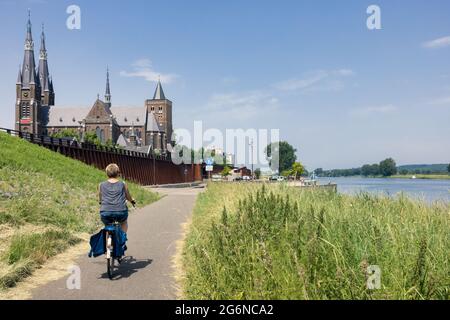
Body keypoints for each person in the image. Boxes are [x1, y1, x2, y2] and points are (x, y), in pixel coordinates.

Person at [98, 163, 136, 233]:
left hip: (105, 212)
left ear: (107, 173)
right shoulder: (123, 184)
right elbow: (128, 196)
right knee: (124, 223)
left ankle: (108, 238)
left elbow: (100, 198)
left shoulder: (101, 185)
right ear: (118, 173)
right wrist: (132, 200)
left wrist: (101, 202)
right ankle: (122, 239)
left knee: (107, 224)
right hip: (120, 211)